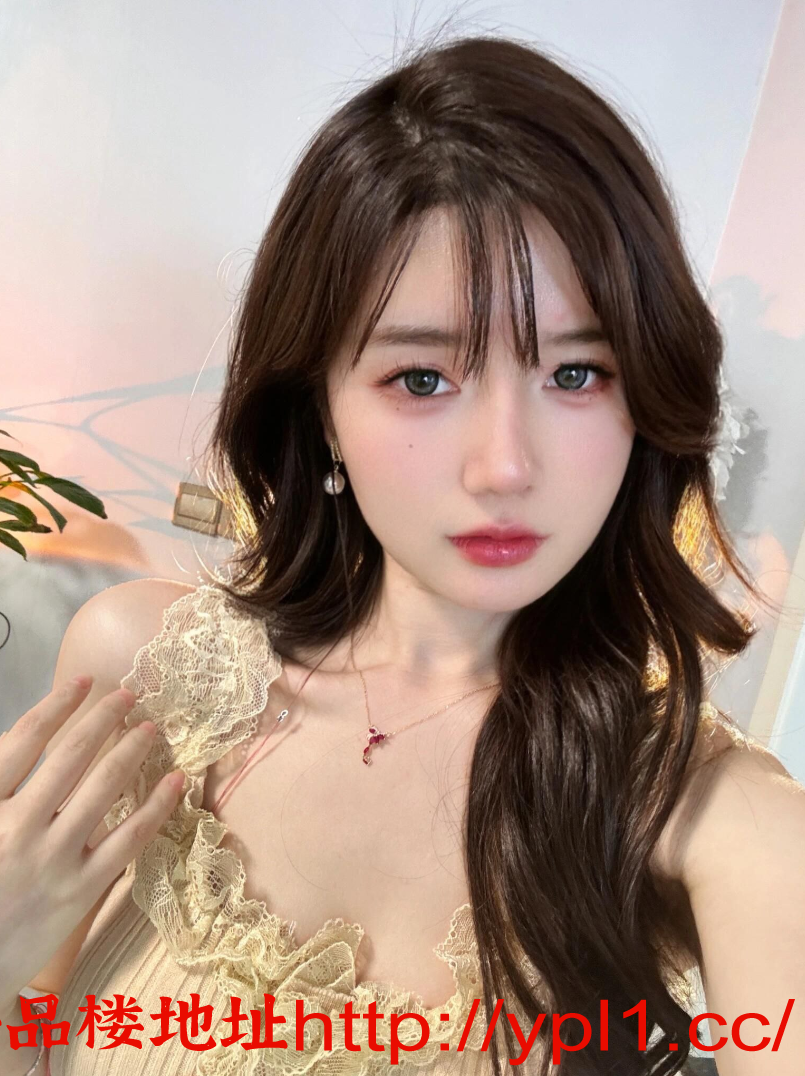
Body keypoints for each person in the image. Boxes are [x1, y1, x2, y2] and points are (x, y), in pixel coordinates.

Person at [1, 30, 803, 1076]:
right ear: (320, 410)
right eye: (422, 378)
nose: (504, 465)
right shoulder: (141, 675)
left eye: (575, 374)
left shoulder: (702, 815)